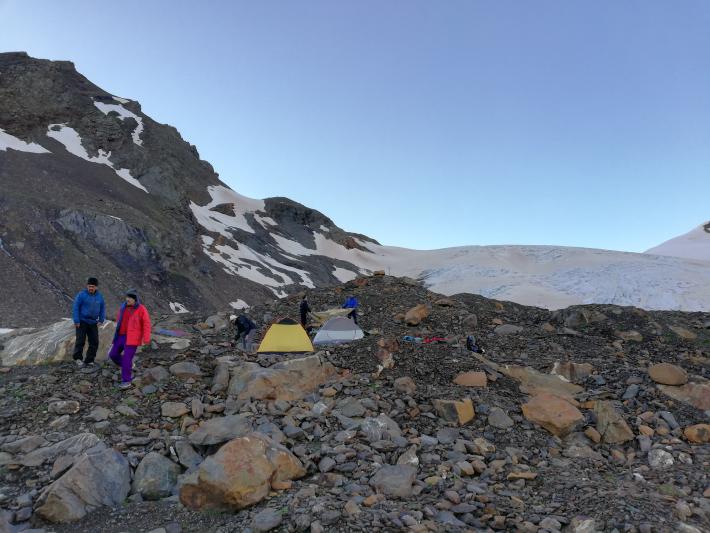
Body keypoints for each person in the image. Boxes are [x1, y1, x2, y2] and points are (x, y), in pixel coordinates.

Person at [109, 289, 151, 389]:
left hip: (132, 338)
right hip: (120, 336)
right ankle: (128, 366)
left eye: (130, 298)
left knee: (127, 358)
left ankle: (126, 381)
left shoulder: (141, 309)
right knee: (113, 354)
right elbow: (119, 320)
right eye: (127, 297)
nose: (128, 299)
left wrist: (146, 338)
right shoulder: (123, 306)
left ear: (135, 299)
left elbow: (146, 324)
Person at [72, 277, 106, 368]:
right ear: (87, 286)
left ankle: (89, 360)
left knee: (94, 341)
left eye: (93, 286)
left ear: (96, 287)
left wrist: (101, 319)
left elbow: (102, 308)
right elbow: (75, 307)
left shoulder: (100, 296)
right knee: (80, 340)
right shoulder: (81, 295)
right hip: (82, 321)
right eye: (89, 286)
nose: (91, 288)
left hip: (93, 322)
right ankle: (78, 359)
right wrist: (76, 320)